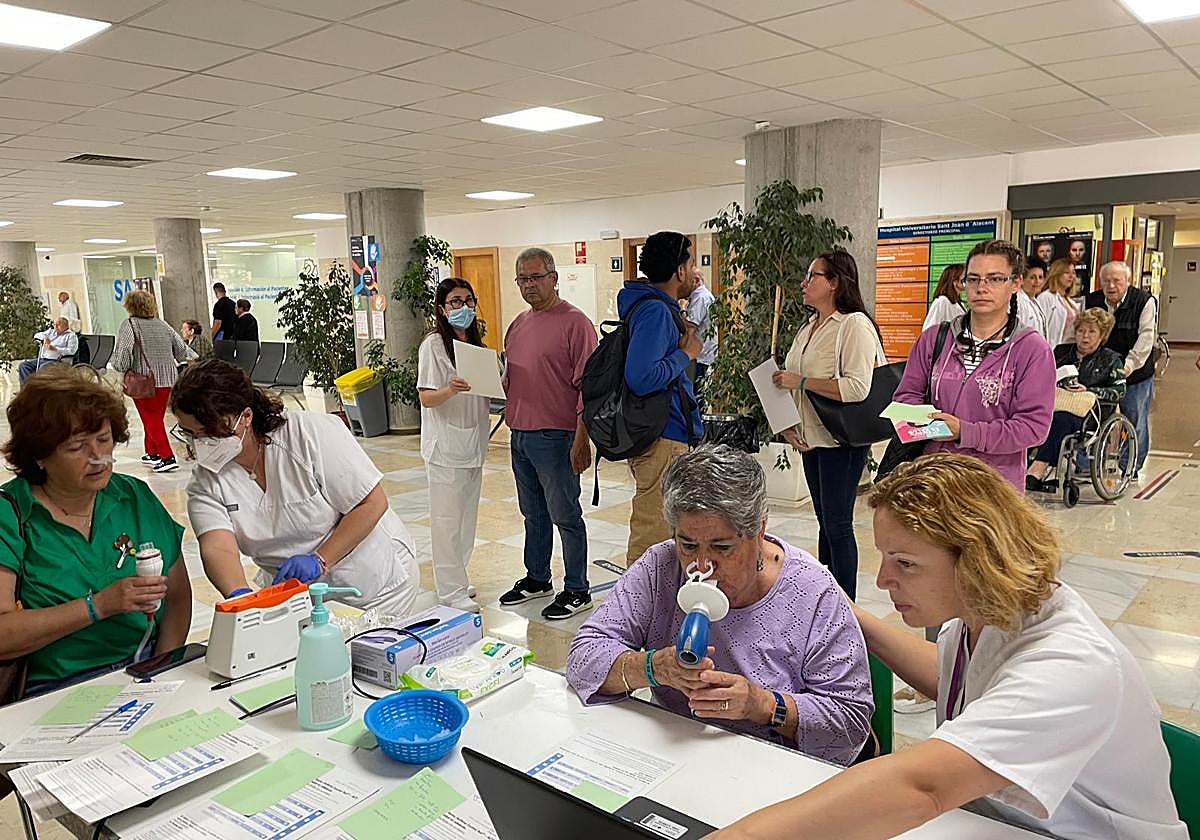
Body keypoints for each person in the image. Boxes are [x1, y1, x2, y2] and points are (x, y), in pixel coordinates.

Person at [709, 455, 1186, 840]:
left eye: (906, 564)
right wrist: (837, 605)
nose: (883, 579)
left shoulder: (1071, 664)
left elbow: (921, 788)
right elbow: (958, 683)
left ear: (977, 557)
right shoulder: (985, 616)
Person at [567, 444, 873, 765]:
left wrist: (765, 706)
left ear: (759, 530)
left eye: (722, 547)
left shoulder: (811, 590)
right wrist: (653, 668)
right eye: (687, 545)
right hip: (681, 755)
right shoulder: (660, 567)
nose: (701, 566)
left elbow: (851, 721)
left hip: (773, 768)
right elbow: (583, 656)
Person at [171, 360, 423, 616]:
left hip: (372, 584)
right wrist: (240, 596)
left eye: (210, 431)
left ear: (246, 416)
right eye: (191, 434)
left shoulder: (307, 434)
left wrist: (319, 559)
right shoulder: (206, 480)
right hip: (294, 595)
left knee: (367, 652)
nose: (201, 442)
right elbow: (217, 546)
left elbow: (371, 503)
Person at [0, 366, 191, 695]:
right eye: (77, 447)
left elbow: (177, 599)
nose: (98, 457)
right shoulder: (11, 515)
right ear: (39, 456)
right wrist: (97, 606)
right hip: (56, 687)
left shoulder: (134, 497)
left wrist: (161, 672)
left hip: (143, 668)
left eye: (104, 440)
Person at [893, 239, 1055, 492]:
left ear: (1015, 283)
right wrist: (929, 424)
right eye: (973, 279)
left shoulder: (1031, 349)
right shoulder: (935, 339)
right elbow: (906, 398)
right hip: (934, 478)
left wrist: (965, 432)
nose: (982, 288)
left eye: (994, 279)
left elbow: (1033, 428)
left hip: (993, 487)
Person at [772, 251, 880, 600]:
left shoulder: (853, 325)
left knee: (837, 525)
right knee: (825, 525)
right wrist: (787, 424)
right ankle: (826, 596)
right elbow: (787, 381)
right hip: (810, 437)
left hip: (841, 440)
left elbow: (856, 387)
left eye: (813, 275)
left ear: (834, 283)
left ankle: (846, 607)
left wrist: (801, 381)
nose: (804, 283)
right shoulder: (808, 327)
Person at [499, 248, 598, 620]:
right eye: (522, 279)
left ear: (554, 278)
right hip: (520, 433)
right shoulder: (519, 324)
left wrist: (581, 437)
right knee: (533, 513)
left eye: (536, 277)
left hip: (557, 436)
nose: (529, 285)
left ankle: (577, 588)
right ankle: (537, 578)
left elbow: (590, 387)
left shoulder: (576, 323)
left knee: (566, 514)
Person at [619, 231, 704, 566]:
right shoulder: (654, 312)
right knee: (652, 537)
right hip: (663, 437)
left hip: (667, 435)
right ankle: (637, 613)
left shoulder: (656, 308)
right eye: (692, 262)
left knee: (668, 533)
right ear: (679, 271)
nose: (695, 271)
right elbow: (640, 377)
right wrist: (686, 354)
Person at [417, 278, 490, 614]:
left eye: (469, 301)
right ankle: (449, 591)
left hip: (472, 446)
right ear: (442, 309)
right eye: (456, 302)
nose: (464, 308)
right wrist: (451, 389)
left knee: (466, 521)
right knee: (447, 522)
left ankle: (458, 577)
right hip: (446, 448)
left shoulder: (474, 344)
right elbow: (426, 397)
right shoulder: (433, 345)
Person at [1026, 308, 1126, 492]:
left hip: (1089, 414)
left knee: (1061, 420)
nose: (1085, 336)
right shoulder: (1061, 352)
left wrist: (1090, 390)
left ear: (1102, 335)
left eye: (1091, 331)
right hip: (1054, 403)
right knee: (1030, 417)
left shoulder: (1111, 360)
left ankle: (1037, 469)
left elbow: (1119, 391)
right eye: (1081, 331)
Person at [110, 290, 196, 473]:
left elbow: (124, 352)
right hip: (168, 378)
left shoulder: (130, 325)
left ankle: (167, 456)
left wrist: (120, 367)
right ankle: (152, 452)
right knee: (154, 416)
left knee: (151, 418)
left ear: (130, 306)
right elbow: (181, 349)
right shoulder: (162, 324)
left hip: (144, 380)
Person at [1086, 261, 1156, 479]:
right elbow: (1083, 332)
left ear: (1128, 281)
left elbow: (1146, 337)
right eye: (1106, 281)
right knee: (1093, 415)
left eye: (1117, 280)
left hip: (1135, 371)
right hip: (1100, 370)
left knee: (1134, 417)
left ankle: (1130, 466)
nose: (1111, 285)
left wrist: (1129, 365)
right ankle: (1086, 462)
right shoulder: (1092, 300)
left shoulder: (1144, 301)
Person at [17, 318, 78, 385]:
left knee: (43, 367)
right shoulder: (51, 332)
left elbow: (72, 351)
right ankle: (27, 389)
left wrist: (55, 349)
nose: (55, 327)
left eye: (58, 325)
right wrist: (45, 338)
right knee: (24, 365)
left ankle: (39, 390)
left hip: (58, 361)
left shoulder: (71, 336)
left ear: (66, 325)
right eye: (54, 324)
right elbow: (36, 335)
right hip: (43, 359)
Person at [686, 269, 718, 390]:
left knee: (694, 392)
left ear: (696, 281)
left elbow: (691, 325)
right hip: (702, 352)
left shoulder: (701, 297)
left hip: (700, 354)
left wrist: (681, 311)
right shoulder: (701, 295)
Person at [1037, 258, 1080, 346]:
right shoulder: (1046, 297)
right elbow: (1040, 328)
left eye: (1073, 273)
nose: (1071, 276)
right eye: (1067, 273)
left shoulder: (1071, 301)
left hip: (1067, 352)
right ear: (1056, 274)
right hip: (1051, 349)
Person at [921, 264, 965, 330]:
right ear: (955, 281)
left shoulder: (960, 304)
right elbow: (928, 330)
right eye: (964, 278)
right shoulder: (942, 301)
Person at [1016, 255, 1049, 341]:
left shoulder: (1035, 302)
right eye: (1032, 278)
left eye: (1040, 277)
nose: (1037, 282)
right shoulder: (1018, 301)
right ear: (1022, 280)